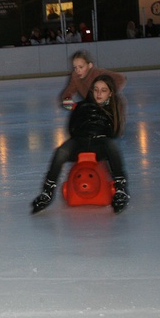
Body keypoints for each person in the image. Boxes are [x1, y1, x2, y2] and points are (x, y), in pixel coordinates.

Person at [32, 74, 130, 214]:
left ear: (110, 93)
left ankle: (121, 188)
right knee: (61, 152)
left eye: (103, 90)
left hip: (100, 143)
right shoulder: (82, 105)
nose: (99, 93)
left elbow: (115, 132)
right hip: (79, 141)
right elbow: (72, 126)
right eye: (96, 89)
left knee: (112, 147)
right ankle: (47, 191)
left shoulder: (113, 109)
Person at [60, 50, 126, 110]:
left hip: (112, 107)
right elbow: (68, 93)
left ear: (90, 65)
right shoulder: (75, 77)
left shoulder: (98, 73)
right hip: (94, 107)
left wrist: (108, 94)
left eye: (81, 67)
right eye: (75, 67)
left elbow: (120, 78)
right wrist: (70, 105)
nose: (78, 70)